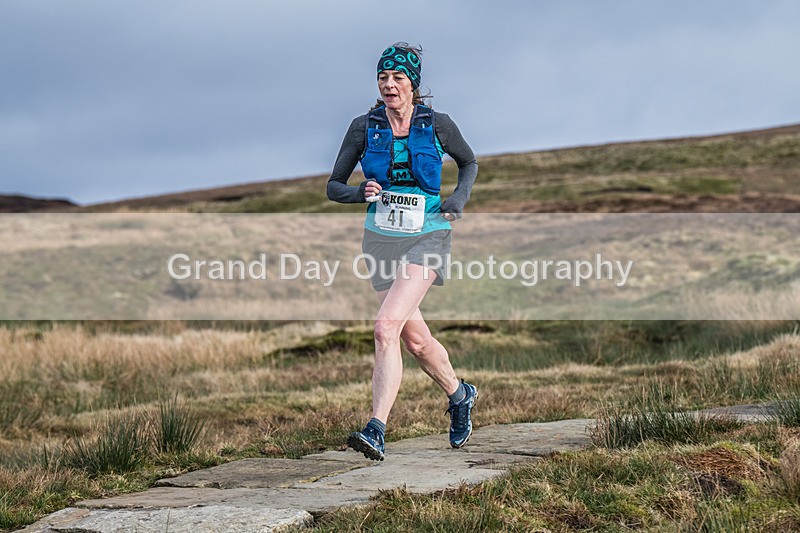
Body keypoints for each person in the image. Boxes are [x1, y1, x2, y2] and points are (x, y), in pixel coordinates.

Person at [327, 42, 479, 461]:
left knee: (384, 327)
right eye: (383, 78)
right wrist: (360, 192)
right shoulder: (364, 126)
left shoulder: (437, 124)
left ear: (413, 83)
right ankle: (459, 393)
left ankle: (376, 428)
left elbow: (469, 163)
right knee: (415, 340)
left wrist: (457, 200)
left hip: (428, 234)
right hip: (380, 240)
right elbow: (333, 186)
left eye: (397, 78)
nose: (389, 85)